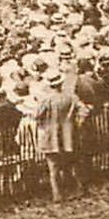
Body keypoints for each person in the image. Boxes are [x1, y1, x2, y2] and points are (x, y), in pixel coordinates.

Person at [34, 70, 84, 201]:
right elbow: (84, 110)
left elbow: (37, 115)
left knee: (53, 167)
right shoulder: (71, 97)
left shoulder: (46, 99)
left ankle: (57, 194)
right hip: (68, 134)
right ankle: (77, 189)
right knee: (70, 163)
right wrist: (77, 123)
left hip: (51, 135)